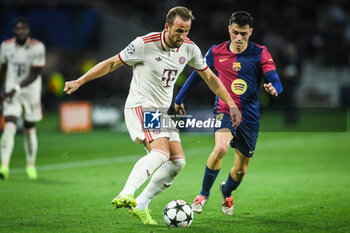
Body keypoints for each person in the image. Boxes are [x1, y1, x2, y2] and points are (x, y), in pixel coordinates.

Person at [64, 6, 241, 225]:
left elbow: (211, 79)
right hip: (141, 106)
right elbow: (111, 64)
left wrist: (231, 103)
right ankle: (126, 193)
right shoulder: (144, 44)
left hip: (160, 111)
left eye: (187, 31)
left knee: (177, 162)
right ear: (167, 27)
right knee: (160, 153)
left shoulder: (189, 48)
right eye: (179, 30)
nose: (183, 36)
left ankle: (141, 204)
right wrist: (79, 81)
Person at [174, 11, 283, 216]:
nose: (239, 38)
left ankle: (226, 191)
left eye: (243, 33)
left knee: (240, 171)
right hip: (225, 109)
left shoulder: (261, 53)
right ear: (229, 30)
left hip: (249, 116)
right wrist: (179, 98)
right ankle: (203, 194)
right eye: (235, 33)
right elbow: (198, 76)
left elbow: (274, 77)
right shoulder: (216, 52)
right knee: (221, 148)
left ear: (251, 32)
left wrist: (275, 88)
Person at [0, 17, 46, 180]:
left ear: (28, 31)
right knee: (9, 125)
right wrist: (2, 89)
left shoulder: (37, 47)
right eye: (18, 29)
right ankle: (4, 166)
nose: (21, 32)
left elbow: (35, 73)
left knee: (29, 128)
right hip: (12, 92)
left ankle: (30, 165)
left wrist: (16, 88)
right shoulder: (5, 47)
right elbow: (3, 68)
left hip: (31, 93)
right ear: (14, 31)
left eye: (23, 29)